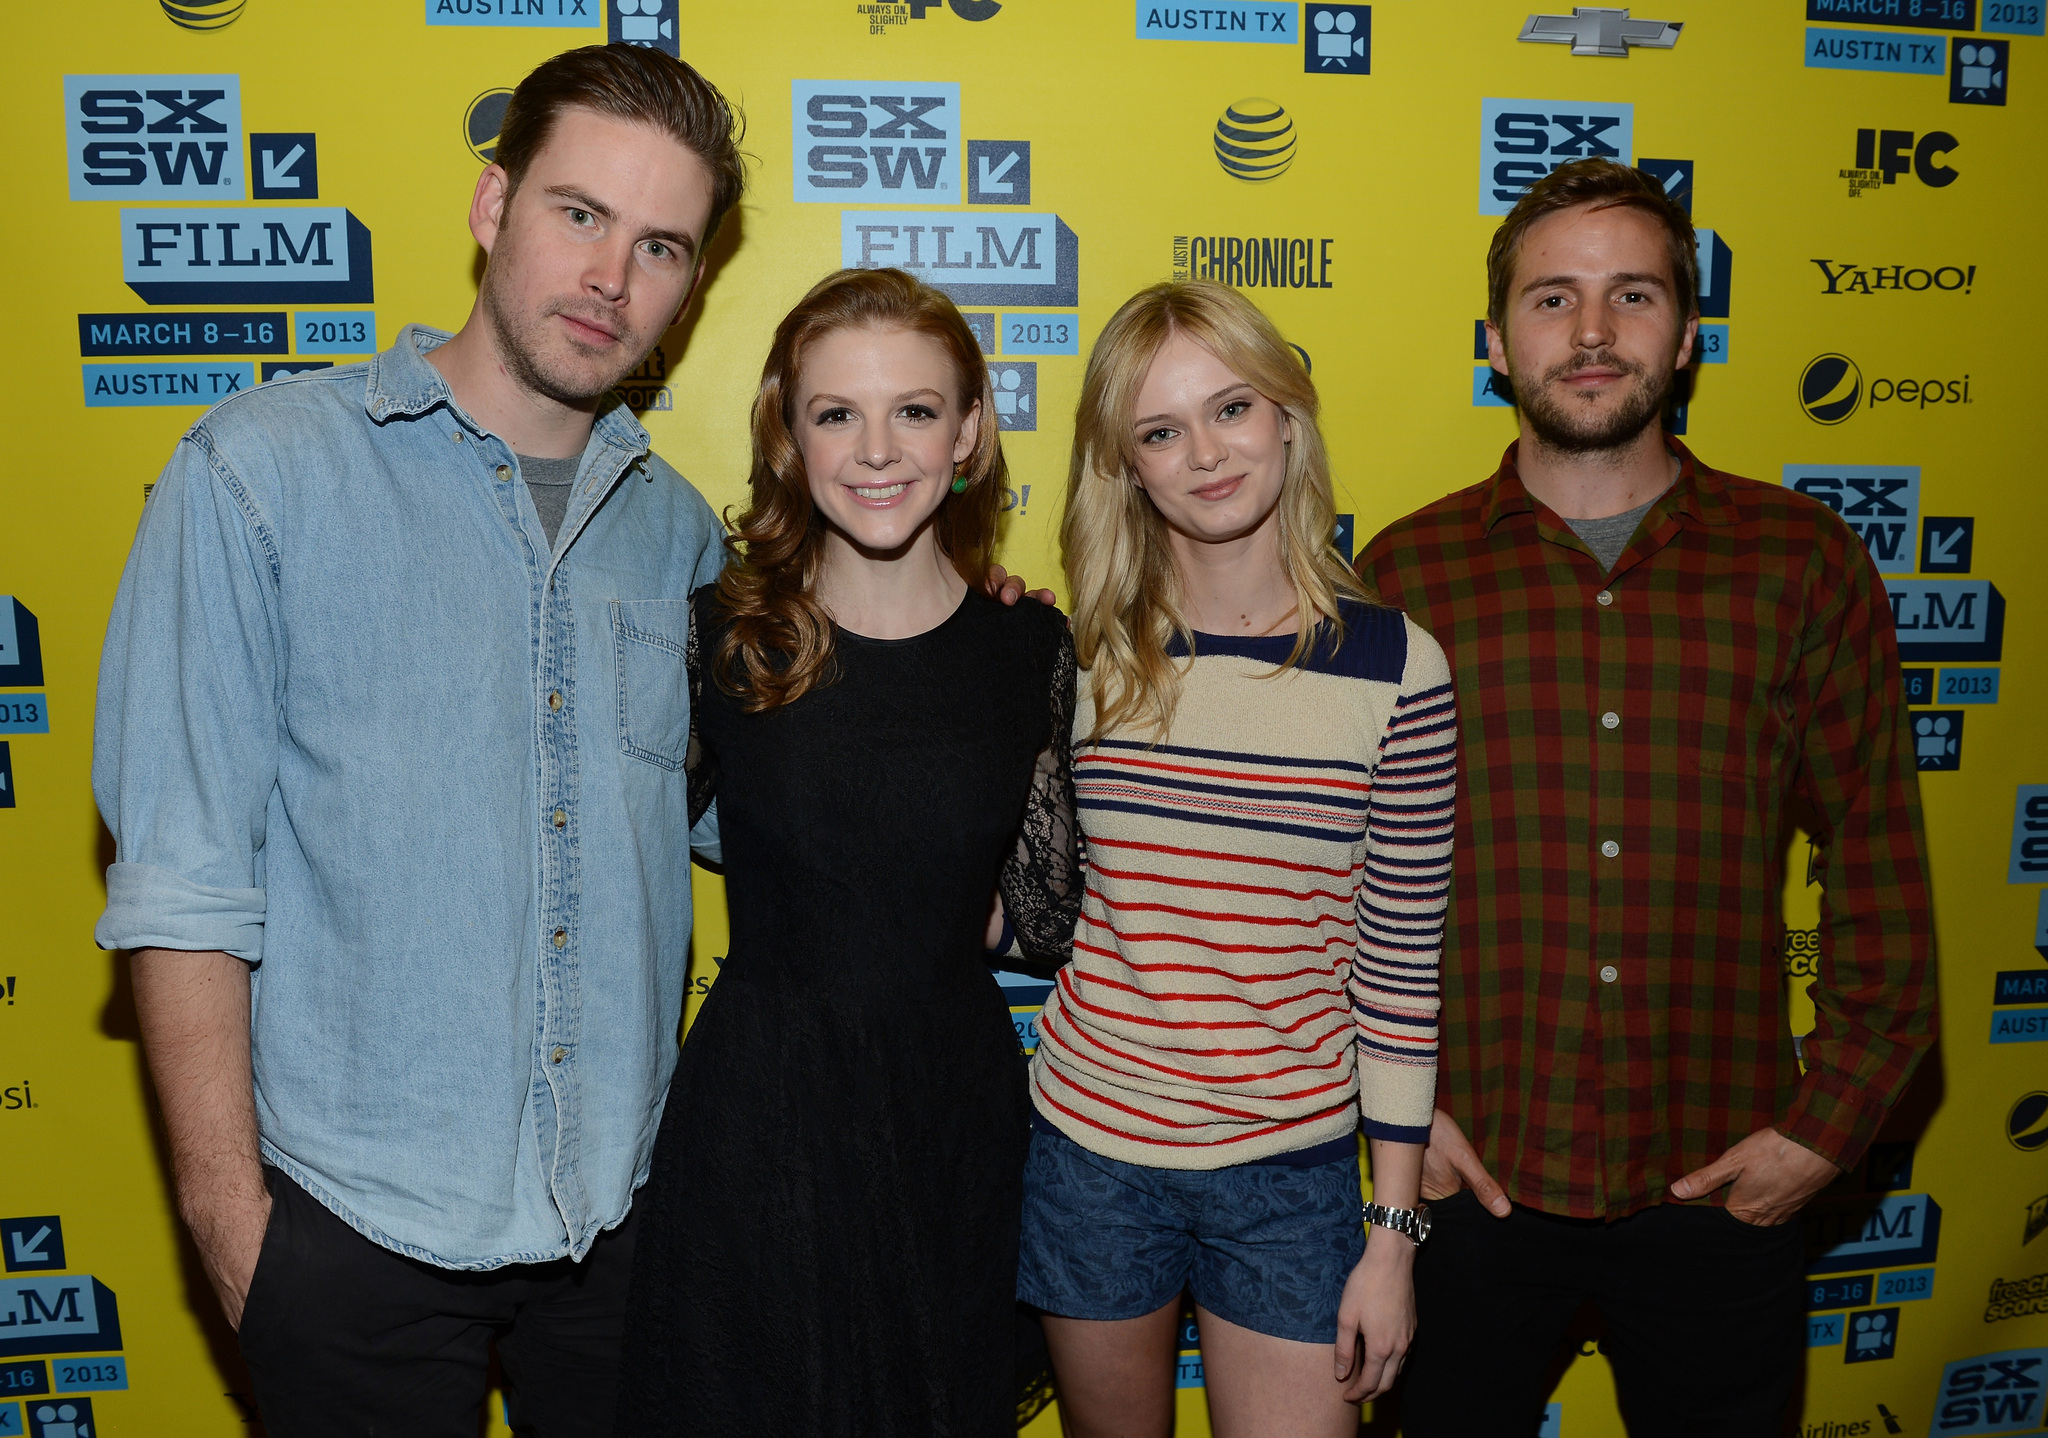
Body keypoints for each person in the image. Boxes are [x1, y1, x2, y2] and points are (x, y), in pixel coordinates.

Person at [88, 47, 1043, 1436]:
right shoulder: (261, 475)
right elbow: (180, 882)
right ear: (492, 206)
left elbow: (778, 813)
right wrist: (235, 1229)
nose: (611, 277)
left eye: (661, 244)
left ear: (692, 284)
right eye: (579, 214)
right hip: (354, 1232)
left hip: (630, 1229)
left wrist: (956, 648)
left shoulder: (682, 547)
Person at [1357, 158, 1937, 1437]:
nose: (1591, 331)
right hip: (1468, 1183)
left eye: (1631, 295)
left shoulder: (1800, 563)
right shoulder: (1403, 572)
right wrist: (1393, 1110)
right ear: (1495, 342)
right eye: (1551, 298)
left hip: (1719, 1188)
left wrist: (1822, 1131)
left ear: (1684, 337)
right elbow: (1324, 878)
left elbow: (1880, 871)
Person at [612, 267, 1080, 1437]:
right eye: (836, 414)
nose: (877, 450)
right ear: (788, 435)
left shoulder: (1027, 644)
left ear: (968, 430)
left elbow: (1047, 908)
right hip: (760, 1124)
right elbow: (625, 844)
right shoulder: (721, 633)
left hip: (948, 1119)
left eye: (915, 411)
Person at [1012, 280, 1456, 1438]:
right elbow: (1024, 900)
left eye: (1230, 409)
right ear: (1126, 466)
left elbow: (1400, 970)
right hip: (1090, 1149)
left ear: (1287, 419)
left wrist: (1392, 1237)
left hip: (1291, 1170)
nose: (1204, 454)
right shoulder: (1080, 657)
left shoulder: (1398, 668)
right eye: (1160, 430)